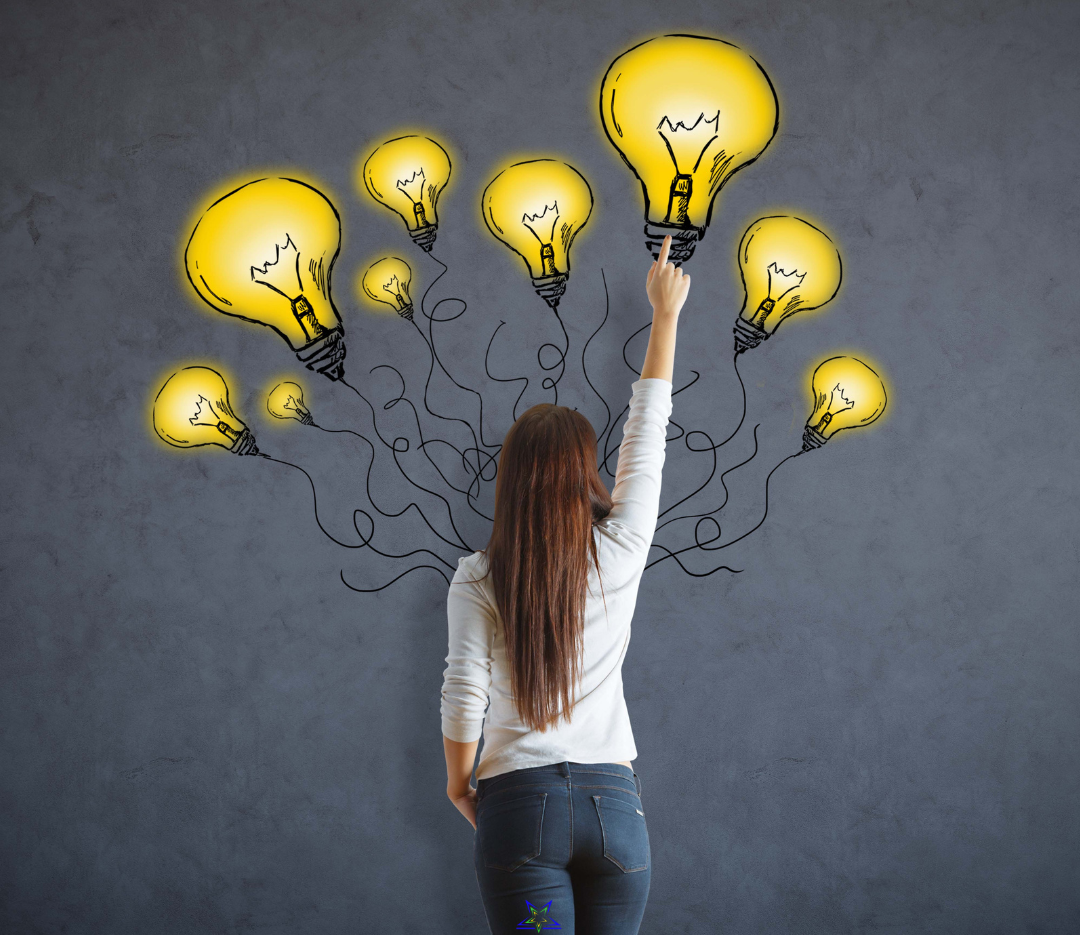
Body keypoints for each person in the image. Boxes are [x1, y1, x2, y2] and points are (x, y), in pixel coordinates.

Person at [440, 236, 689, 934]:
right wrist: (664, 317)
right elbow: (647, 434)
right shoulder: (621, 549)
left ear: (511, 480)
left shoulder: (479, 575)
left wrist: (461, 782)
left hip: (517, 812)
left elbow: (464, 689)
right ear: (586, 476)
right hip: (616, 813)